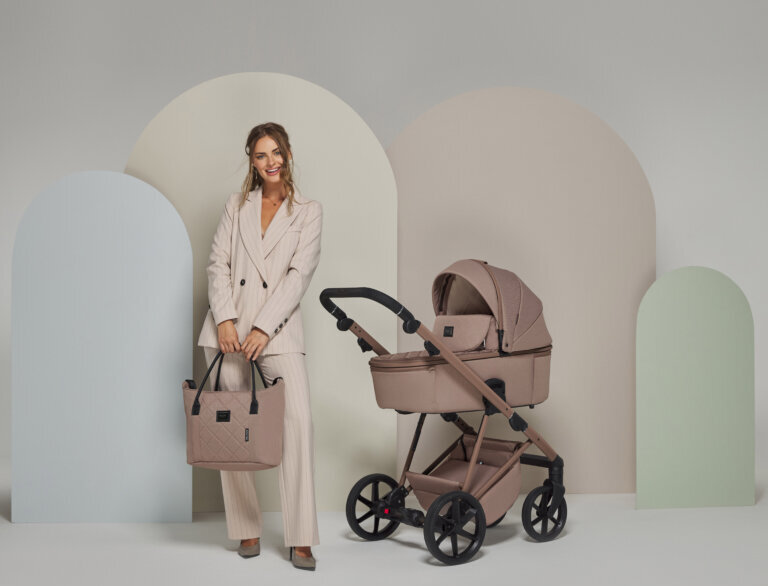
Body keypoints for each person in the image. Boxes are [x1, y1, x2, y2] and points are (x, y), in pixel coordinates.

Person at [197, 122, 322, 570]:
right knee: (230, 428)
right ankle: (246, 526)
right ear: (251, 161)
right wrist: (226, 319)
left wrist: (264, 328)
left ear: (288, 153)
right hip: (228, 331)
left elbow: (299, 275)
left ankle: (301, 536)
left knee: (299, 423)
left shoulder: (308, 211)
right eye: (260, 155)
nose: (271, 162)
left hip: (278, 330)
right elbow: (218, 263)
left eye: (276, 152)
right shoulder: (236, 206)